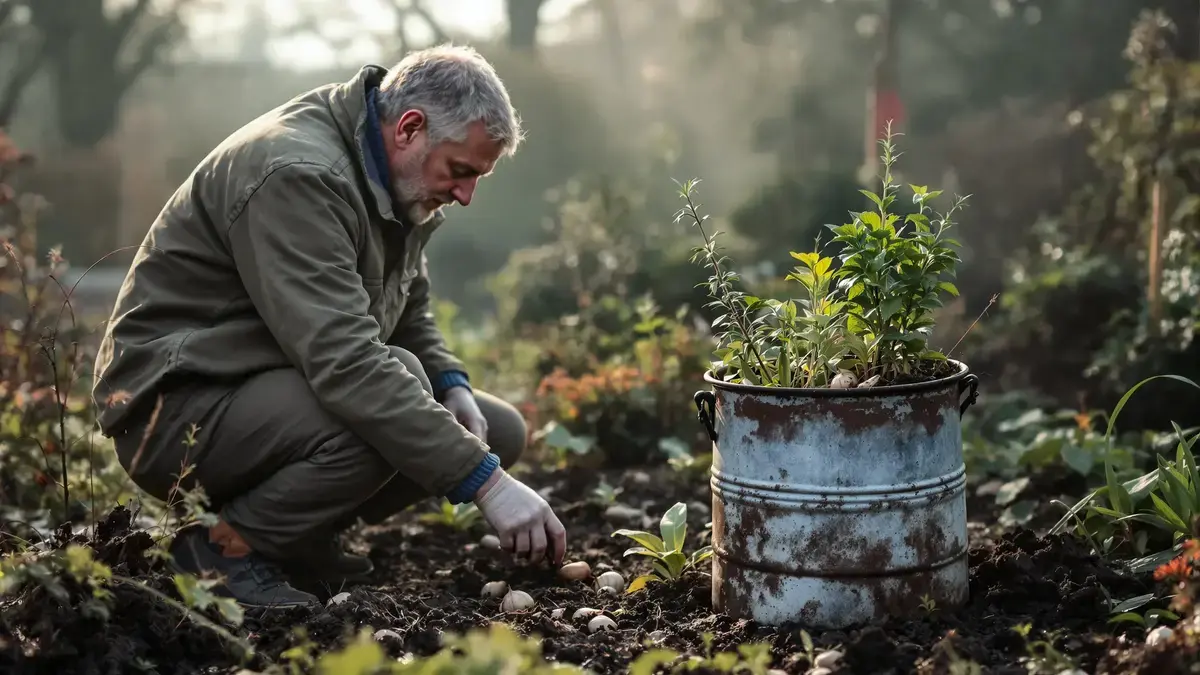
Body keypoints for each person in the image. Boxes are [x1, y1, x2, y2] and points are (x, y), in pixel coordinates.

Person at [91, 44, 567, 609]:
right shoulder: (300, 177)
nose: (465, 195)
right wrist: (487, 485)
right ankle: (219, 552)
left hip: (259, 383)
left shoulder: (393, 175)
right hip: (174, 409)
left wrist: (451, 382)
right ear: (410, 128)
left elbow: (407, 303)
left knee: (495, 427)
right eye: (460, 172)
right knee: (396, 395)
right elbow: (347, 366)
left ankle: (295, 537)